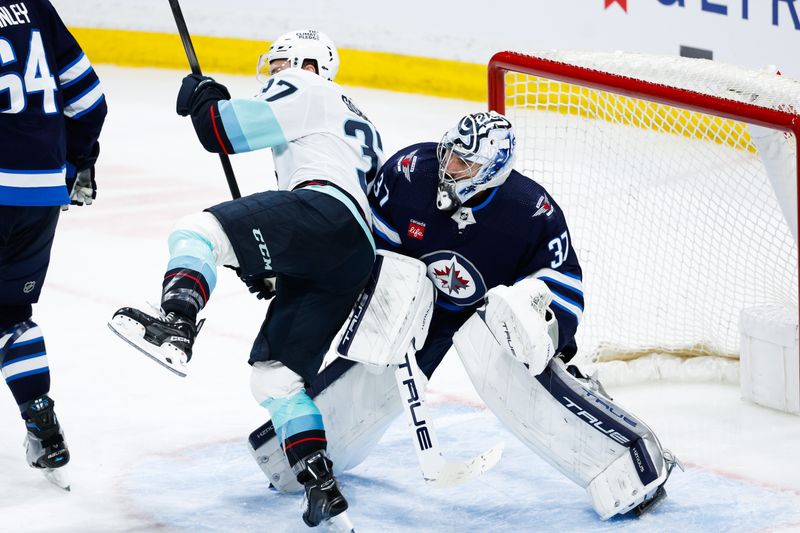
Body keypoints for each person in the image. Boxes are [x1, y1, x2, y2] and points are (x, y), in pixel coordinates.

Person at [249, 111, 679, 520]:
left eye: (464, 162)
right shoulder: (408, 172)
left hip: (491, 318)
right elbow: (367, 248)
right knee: (392, 308)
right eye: (450, 153)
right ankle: (303, 459)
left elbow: (562, 284)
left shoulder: (531, 211)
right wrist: (308, 278)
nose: (448, 166)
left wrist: (543, 331)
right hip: (419, 304)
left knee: (510, 333)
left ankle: (626, 465)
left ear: (492, 170)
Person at [108, 29, 381, 529]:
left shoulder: (308, 86)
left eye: (283, 63)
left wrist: (206, 100)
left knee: (198, 232)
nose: (277, 74)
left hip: (324, 212)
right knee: (275, 379)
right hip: (352, 252)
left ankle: (176, 322)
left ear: (309, 63)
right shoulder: (354, 116)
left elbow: (223, 131)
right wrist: (280, 266)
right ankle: (319, 481)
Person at [0, 0, 106, 489]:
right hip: (39, 190)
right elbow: (88, 99)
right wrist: (78, 160)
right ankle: (41, 423)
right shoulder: (34, 6)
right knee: (9, 316)